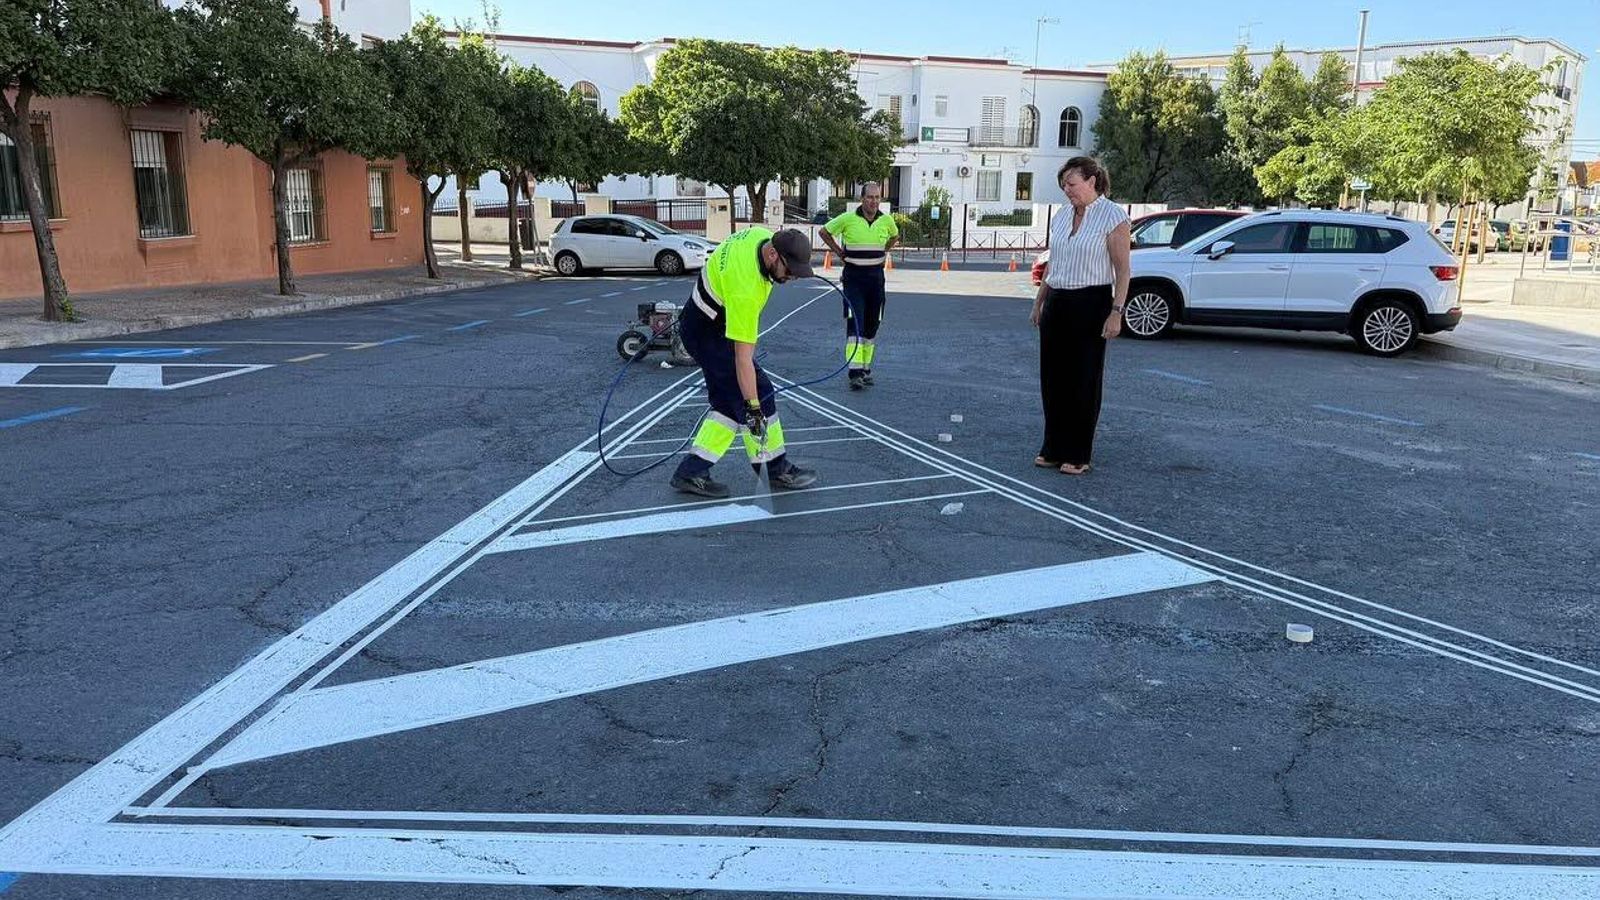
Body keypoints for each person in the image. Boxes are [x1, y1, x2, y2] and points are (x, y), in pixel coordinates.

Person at [670, 227, 821, 499]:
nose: (792, 278)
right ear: (773, 254)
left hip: (698, 322)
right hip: (711, 333)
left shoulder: (759, 236)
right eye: (790, 270)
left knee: (726, 405)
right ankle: (775, 469)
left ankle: (691, 471)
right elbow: (742, 359)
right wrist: (753, 408)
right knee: (758, 395)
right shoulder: (746, 290)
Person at [1029, 157, 1130, 476]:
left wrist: (1116, 311)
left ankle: (1078, 451)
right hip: (1057, 299)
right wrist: (1039, 301)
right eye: (1064, 186)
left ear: (1092, 181)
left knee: (1083, 378)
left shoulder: (1113, 216)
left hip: (1091, 301)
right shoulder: (1060, 216)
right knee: (1053, 378)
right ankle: (1053, 445)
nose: (1067, 191)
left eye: (1071, 185)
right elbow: (1053, 265)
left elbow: (1123, 270)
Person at [819, 183, 899, 390]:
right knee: (856, 322)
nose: (873, 201)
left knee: (872, 324)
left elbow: (895, 236)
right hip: (854, 279)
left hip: (876, 279)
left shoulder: (886, 220)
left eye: (877, 197)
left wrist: (883, 252)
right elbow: (824, 232)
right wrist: (839, 252)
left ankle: (865, 368)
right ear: (862, 199)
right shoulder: (848, 219)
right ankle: (854, 372)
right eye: (870, 197)